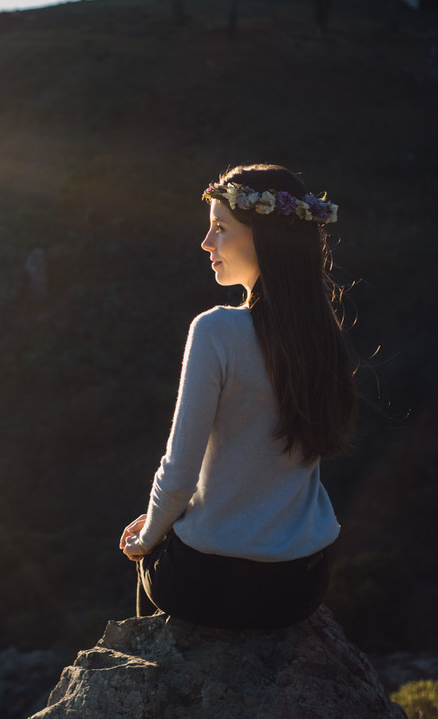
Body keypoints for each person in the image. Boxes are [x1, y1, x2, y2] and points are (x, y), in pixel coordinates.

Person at [119, 163, 355, 631]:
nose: (206, 245)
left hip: (211, 584)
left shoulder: (216, 330)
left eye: (220, 229)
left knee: (152, 567)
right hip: (301, 585)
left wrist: (148, 535)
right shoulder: (322, 334)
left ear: (265, 238)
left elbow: (179, 471)